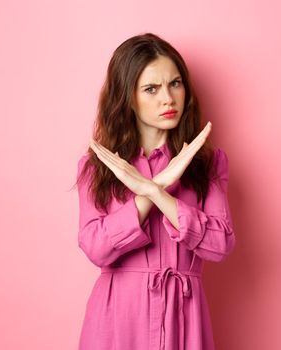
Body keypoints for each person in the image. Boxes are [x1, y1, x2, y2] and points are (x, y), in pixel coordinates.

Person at [74, 32, 235, 350]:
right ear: (128, 97)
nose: (168, 98)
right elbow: (96, 248)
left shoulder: (208, 163)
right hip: (119, 319)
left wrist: (157, 191)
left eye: (175, 83)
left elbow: (220, 243)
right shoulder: (99, 166)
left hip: (184, 318)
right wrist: (152, 190)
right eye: (152, 88)